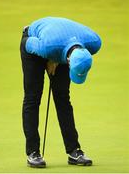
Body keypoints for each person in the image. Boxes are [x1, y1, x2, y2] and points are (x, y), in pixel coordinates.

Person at [20, 17, 101, 168]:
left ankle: (74, 151)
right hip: (34, 40)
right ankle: (33, 152)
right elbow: (27, 45)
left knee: (63, 97)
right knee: (33, 97)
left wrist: (57, 58)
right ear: (69, 60)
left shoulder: (94, 43)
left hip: (60, 45)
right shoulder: (46, 46)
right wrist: (51, 56)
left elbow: (69, 49)